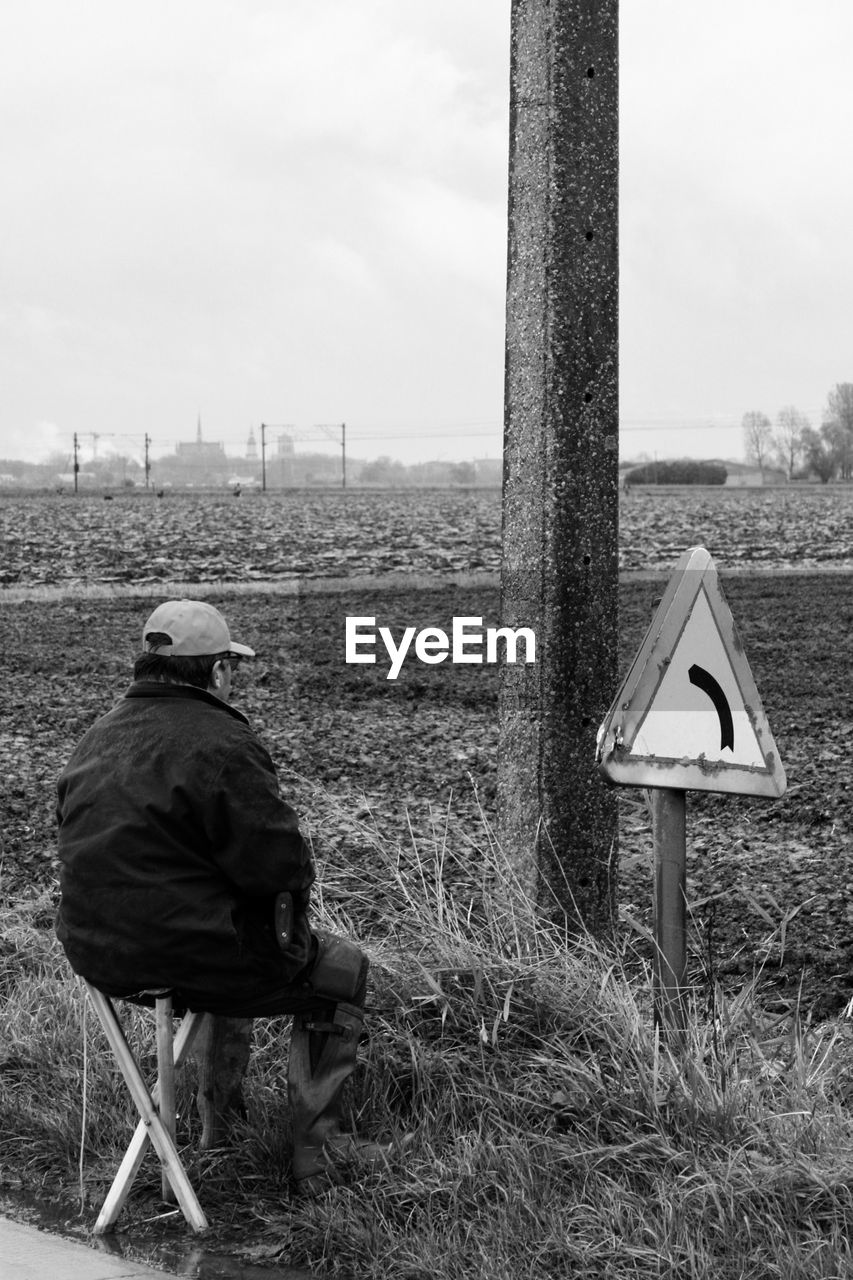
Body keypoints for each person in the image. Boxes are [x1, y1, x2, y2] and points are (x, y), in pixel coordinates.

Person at [55, 598, 395, 1195]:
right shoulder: (222, 741)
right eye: (229, 668)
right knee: (339, 968)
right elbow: (278, 866)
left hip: (99, 958)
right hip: (185, 960)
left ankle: (221, 1128)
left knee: (222, 933)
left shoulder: (95, 736)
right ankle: (323, 1157)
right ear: (216, 673)